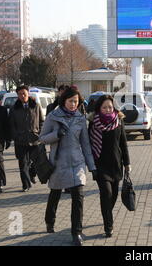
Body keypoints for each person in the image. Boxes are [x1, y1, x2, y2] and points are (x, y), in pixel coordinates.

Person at [39, 87, 96, 246]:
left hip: (77, 163)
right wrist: (56, 135)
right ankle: (50, 220)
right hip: (58, 163)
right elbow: (42, 138)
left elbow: (85, 144)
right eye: (71, 101)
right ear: (64, 100)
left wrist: (92, 167)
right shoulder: (53, 116)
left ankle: (76, 232)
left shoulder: (80, 118)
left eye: (76, 102)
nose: (73, 104)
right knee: (55, 193)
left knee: (78, 197)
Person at [88, 95, 131, 238]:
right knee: (106, 193)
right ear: (99, 108)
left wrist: (127, 163)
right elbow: (88, 143)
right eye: (104, 107)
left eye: (110, 107)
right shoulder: (94, 123)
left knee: (113, 196)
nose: (107, 110)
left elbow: (123, 143)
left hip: (115, 164)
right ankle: (108, 225)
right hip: (100, 165)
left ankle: (107, 213)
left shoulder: (118, 121)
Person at [9, 85, 44, 192]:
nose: (22, 95)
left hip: (35, 139)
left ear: (28, 93)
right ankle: (26, 185)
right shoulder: (14, 108)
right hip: (21, 141)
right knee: (23, 164)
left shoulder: (36, 106)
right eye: (20, 94)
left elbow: (42, 121)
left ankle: (32, 173)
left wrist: (40, 134)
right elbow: (11, 125)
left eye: (24, 93)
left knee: (38, 162)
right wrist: (16, 136)